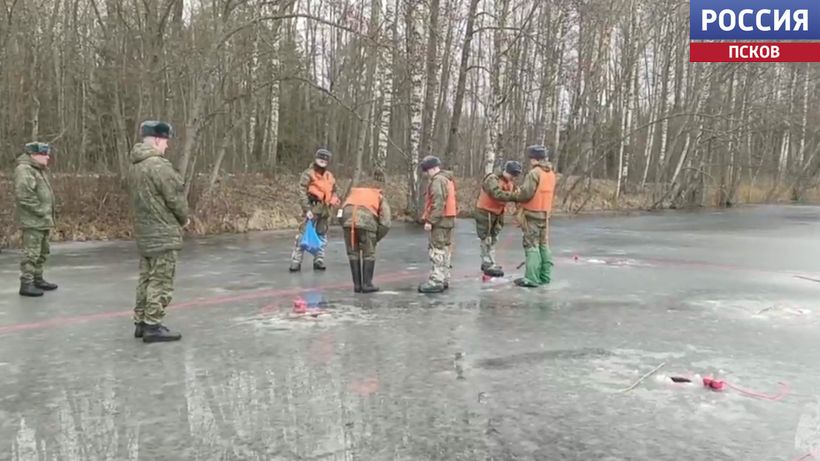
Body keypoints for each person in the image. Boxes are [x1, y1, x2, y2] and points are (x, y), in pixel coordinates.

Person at [128, 120, 189, 343]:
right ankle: (153, 324)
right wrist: (184, 218)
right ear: (156, 140)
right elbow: (176, 198)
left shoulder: (135, 165)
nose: (167, 146)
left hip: (145, 231)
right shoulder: (159, 166)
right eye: (165, 141)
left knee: (145, 277)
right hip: (163, 231)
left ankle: (141, 321)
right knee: (161, 279)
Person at [14, 142, 57, 297]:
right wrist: (41, 210)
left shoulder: (38, 169)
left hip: (42, 220)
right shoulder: (24, 170)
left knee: (43, 251)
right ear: (33, 155)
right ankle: (26, 283)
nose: (47, 157)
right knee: (31, 253)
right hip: (32, 220)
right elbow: (24, 196)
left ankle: (38, 279)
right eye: (44, 154)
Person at [289, 148, 340, 272]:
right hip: (312, 207)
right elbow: (302, 192)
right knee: (303, 234)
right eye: (320, 158)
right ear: (315, 159)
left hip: (325, 209)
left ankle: (319, 259)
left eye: (325, 159)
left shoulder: (329, 176)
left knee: (322, 235)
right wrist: (307, 209)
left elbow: (335, 191)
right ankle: (296, 261)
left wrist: (334, 200)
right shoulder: (308, 173)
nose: (322, 161)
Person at [512, 145, 556, 288]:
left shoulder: (534, 173)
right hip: (545, 215)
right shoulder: (550, 173)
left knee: (531, 245)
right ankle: (545, 276)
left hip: (532, 214)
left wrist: (515, 195)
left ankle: (531, 278)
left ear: (533, 159)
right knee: (544, 245)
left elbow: (526, 194)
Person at [339, 178, 391, 293]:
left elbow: (340, 212)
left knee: (353, 253)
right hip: (366, 222)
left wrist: (344, 225)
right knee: (369, 254)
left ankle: (357, 285)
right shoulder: (378, 195)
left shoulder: (353, 193)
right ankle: (367, 284)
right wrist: (376, 237)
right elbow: (386, 222)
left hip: (348, 221)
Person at [474, 160, 521, 277]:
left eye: (515, 176)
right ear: (506, 171)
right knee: (486, 238)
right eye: (512, 175)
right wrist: (514, 196)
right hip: (485, 211)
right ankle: (487, 262)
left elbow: (516, 194)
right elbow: (497, 194)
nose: (513, 178)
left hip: (497, 212)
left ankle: (490, 260)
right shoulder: (492, 179)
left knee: (494, 237)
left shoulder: (510, 183)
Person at [418, 155, 457, 294]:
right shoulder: (447, 179)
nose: (427, 174)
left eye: (428, 171)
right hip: (449, 218)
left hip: (440, 220)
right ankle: (445, 277)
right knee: (446, 248)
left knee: (437, 250)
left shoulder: (437, 181)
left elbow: (438, 202)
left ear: (433, 169)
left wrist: (430, 220)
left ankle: (436, 280)